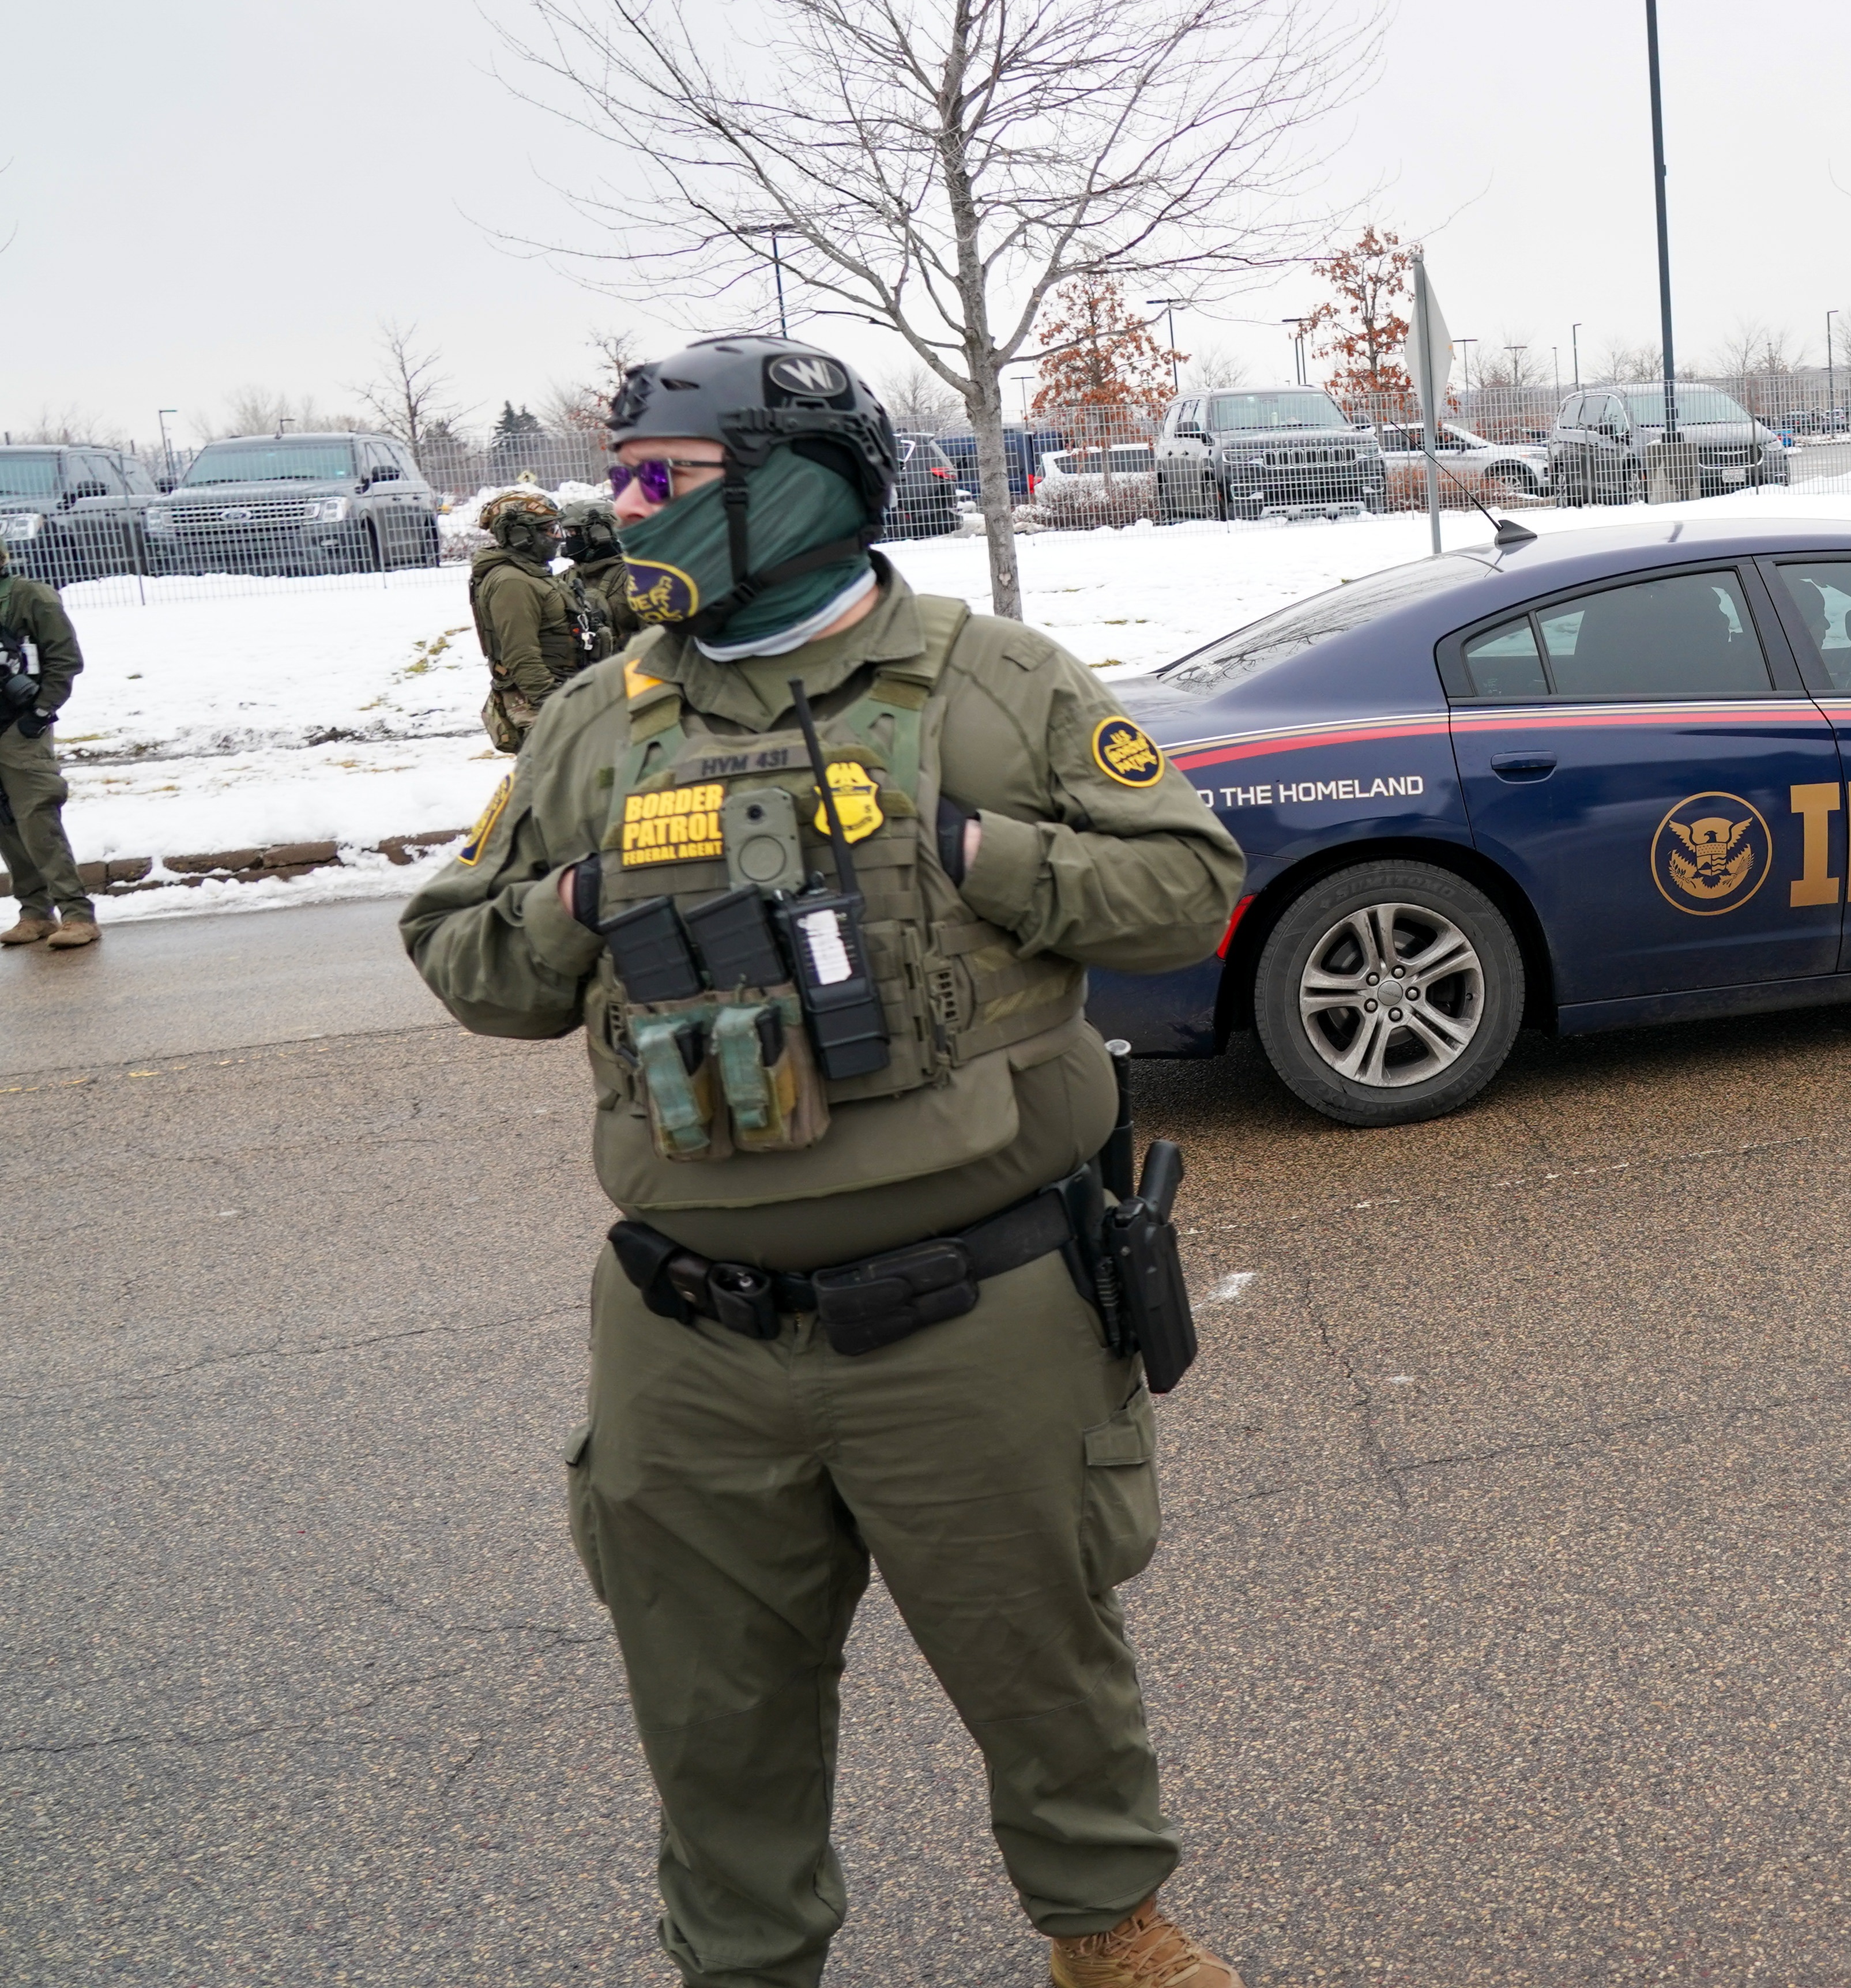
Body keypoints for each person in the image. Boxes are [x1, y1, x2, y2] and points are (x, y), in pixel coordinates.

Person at [401, 336, 1251, 1988]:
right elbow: (460, 954)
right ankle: (747, 1965)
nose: (626, 510)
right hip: (692, 1334)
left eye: (665, 482)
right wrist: (579, 905)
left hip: (975, 1317)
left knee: (1038, 1653)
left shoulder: (996, 684)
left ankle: (1107, 1931)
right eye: (624, 477)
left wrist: (963, 853)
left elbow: (1186, 882)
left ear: (792, 489)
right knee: (709, 1699)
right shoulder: (594, 723)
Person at [0, 540, 95, 950]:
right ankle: (35, 913)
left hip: (20, 727)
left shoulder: (29, 597)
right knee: (5, 823)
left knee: (37, 817)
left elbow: (65, 658)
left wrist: (40, 713)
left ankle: (76, 914)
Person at [469, 488, 582, 752]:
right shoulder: (513, 582)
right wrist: (555, 704)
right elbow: (521, 655)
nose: (558, 537)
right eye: (549, 529)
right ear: (521, 536)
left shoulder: (528, 574)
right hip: (539, 703)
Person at [562, 499, 638, 662]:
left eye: (572, 533)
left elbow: (661, 638)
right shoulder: (563, 580)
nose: (568, 539)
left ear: (599, 534)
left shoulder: (636, 577)